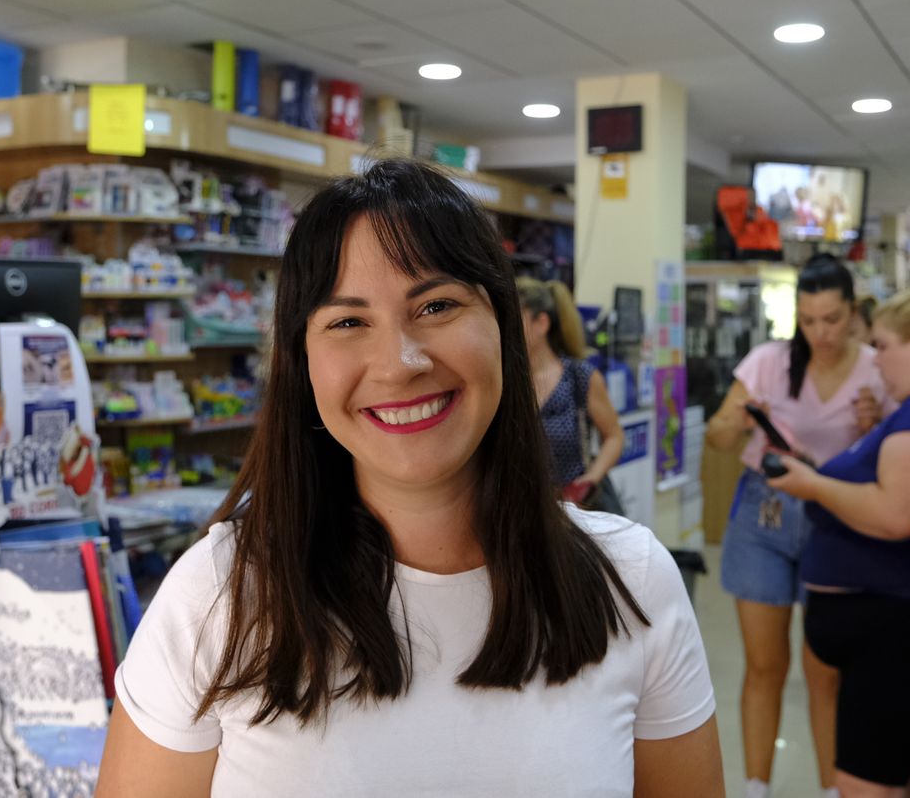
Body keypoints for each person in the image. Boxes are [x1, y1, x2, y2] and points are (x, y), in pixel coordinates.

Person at [96, 160, 723, 797]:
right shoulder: (218, 595)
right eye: (347, 321)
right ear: (302, 362)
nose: (400, 364)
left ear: (504, 328)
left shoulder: (634, 582)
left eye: (437, 305)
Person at [767, 270, 910, 798]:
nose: (875, 358)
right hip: (898, 625)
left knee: (867, 786)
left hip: (899, 632)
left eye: (882, 346)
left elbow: (898, 513)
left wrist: (816, 486)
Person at [704, 253, 885, 798]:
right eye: (808, 320)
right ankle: (756, 786)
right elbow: (717, 438)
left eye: (832, 319)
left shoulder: (876, 369)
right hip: (766, 512)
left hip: (837, 516)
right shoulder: (768, 361)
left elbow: (898, 457)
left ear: (853, 312)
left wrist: (875, 428)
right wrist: (735, 419)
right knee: (765, 666)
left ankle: (832, 789)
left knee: (825, 671)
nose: (820, 333)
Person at [517, 277, 626, 507]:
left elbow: (614, 436)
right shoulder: (506, 381)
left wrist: (589, 481)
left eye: (516, 320)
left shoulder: (580, 377)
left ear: (542, 323)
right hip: (523, 510)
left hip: (577, 511)